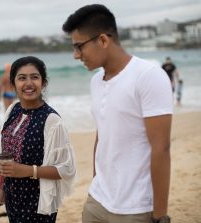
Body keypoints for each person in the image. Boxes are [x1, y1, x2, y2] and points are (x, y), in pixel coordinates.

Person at [62, 4, 173, 223]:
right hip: (98, 200)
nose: (76, 55)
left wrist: (160, 216)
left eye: (79, 47)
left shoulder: (148, 76)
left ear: (103, 40)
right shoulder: (96, 81)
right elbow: (102, 133)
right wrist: (96, 181)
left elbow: (161, 148)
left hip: (136, 207)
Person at [0, 56, 76, 223]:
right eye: (22, 78)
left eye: (34, 77)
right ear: (13, 83)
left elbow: (67, 169)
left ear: (44, 82)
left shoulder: (51, 120)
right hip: (12, 199)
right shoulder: (13, 109)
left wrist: (28, 171)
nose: (28, 83)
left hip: (38, 204)